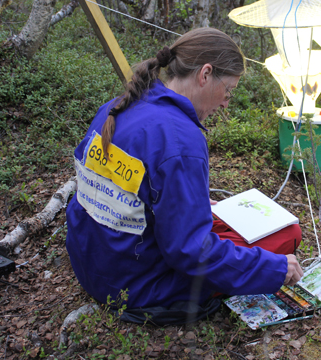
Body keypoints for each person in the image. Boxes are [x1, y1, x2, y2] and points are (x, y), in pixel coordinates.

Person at [66, 28, 303, 325]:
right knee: (286, 237)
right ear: (205, 74)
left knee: (227, 225)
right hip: (135, 285)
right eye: (228, 90)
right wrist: (273, 269)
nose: (227, 102)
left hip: (90, 263)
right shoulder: (180, 140)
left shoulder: (118, 106)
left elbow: (123, 191)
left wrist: (193, 203)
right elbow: (191, 252)